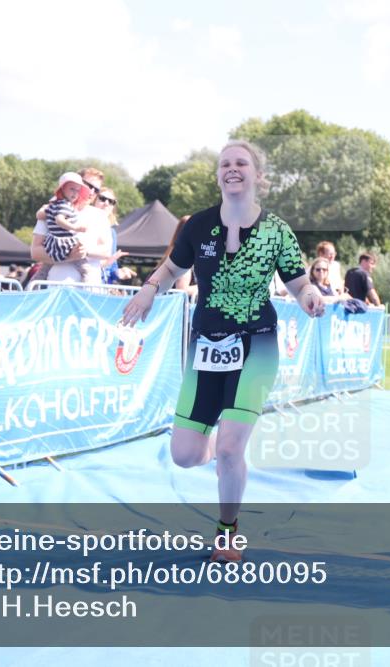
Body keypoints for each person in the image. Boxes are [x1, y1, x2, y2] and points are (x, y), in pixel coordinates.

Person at [121, 140, 324, 562]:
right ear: (218, 175)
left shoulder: (276, 231)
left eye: (241, 163)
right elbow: (172, 267)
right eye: (225, 164)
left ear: (257, 176)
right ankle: (220, 446)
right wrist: (147, 290)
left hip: (257, 344)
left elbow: (298, 283)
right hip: (206, 347)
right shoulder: (198, 226)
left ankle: (228, 531)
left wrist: (310, 298)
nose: (233, 169)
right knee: (185, 455)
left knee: (232, 448)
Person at [30, 167, 115, 283]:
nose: (91, 192)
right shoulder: (52, 208)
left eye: (96, 190)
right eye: (88, 185)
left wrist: (85, 251)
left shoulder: (100, 216)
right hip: (55, 292)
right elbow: (35, 252)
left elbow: (106, 251)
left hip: (88, 294)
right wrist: (70, 256)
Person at [43, 171, 97, 282]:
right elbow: (59, 220)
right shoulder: (65, 205)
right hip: (65, 244)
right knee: (86, 270)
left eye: (78, 190)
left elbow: (40, 215)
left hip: (53, 243)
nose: (75, 193)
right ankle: (87, 292)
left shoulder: (54, 204)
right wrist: (75, 228)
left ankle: (29, 290)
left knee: (43, 270)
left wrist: (43, 213)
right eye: (72, 189)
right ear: (62, 189)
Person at [95, 186, 136, 284]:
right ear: (93, 201)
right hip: (82, 284)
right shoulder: (82, 225)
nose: (106, 203)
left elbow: (111, 268)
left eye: (111, 201)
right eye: (102, 199)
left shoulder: (111, 233)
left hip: (102, 287)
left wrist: (118, 273)